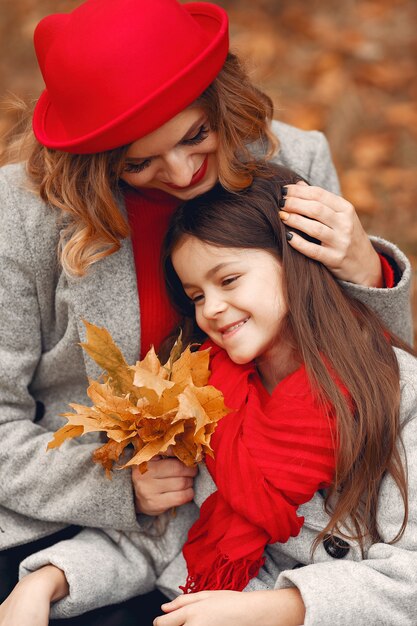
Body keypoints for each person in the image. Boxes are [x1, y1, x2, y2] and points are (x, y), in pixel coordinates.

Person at [0, 0, 413, 621]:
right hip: (77, 514)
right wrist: (116, 488)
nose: (182, 171)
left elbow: (367, 374)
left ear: (224, 103)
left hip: (277, 524)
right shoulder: (24, 216)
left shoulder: (293, 160)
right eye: (137, 162)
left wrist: (365, 274)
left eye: (197, 135)